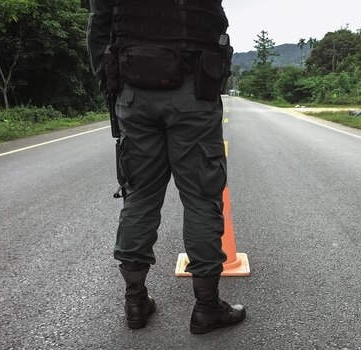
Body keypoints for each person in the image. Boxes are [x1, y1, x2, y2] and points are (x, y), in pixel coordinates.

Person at [87, 0, 246, 333]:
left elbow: (99, 28)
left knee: (140, 197)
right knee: (202, 198)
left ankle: (136, 302)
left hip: (133, 92)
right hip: (194, 91)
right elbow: (217, 23)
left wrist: (112, 87)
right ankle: (206, 307)